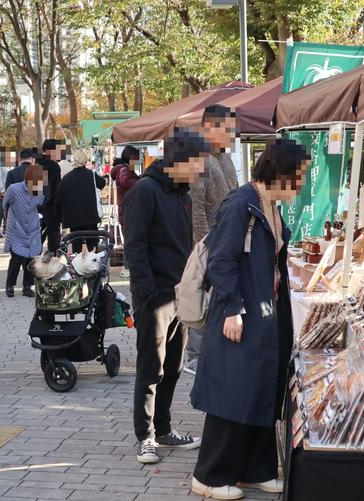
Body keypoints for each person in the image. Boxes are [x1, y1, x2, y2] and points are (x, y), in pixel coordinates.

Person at [189, 139, 309, 500]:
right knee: (233, 392)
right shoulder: (241, 204)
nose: (301, 185)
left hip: (266, 311)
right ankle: (209, 476)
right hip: (242, 312)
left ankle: (255, 469)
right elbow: (222, 262)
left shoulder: (267, 204)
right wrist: (231, 310)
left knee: (261, 388)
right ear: (280, 174)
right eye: (298, 177)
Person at [123, 127, 210, 465]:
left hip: (180, 296)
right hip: (154, 298)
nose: (200, 171)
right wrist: (147, 294)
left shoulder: (183, 196)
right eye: (197, 163)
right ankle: (145, 436)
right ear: (179, 160)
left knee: (173, 367)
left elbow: (184, 247)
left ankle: (163, 428)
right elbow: (135, 247)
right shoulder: (145, 191)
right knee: (151, 369)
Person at [186, 105, 241, 375]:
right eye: (228, 129)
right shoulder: (199, 157)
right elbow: (195, 208)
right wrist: (203, 248)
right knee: (203, 297)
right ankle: (195, 355)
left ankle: (213, 350)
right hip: (209, 245)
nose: (233, 134)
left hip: (229, 241)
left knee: (220, 299)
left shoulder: (226, 159)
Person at [2, 163, 46, 298]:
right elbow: (5, 204)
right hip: (16, 227)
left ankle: (27, 286)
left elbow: (40, 205)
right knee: (16, 258)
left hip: (32, 228)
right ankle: (10, 285)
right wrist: (8, 218)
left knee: (31, 258)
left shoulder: (39, 191)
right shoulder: (14, 189)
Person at [56, 148, 106, 251]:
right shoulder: (91, 175)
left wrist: (60, 218)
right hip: (90, 217)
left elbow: (58, 200)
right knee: (92, 246)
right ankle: (93, 265)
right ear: (85, 160)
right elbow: (102, 183)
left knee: (76, 245)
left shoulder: (66, 179)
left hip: (73, 219)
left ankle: (77, 265)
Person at [110, 146, 141, 278]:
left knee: (130, 239)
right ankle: (127, 268)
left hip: (126, 208)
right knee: (130, 240)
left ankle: (128, 267)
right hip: (128, 209)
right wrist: (141, 181)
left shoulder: (122, 169)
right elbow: (125, 181)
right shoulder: (124, 170)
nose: (138, 161)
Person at [39, 139, 64, 253]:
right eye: (57, 150)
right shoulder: (54, 166)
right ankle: (52, 259)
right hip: (51, 208)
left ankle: (33, 260)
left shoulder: (36, 163)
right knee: (53, 236)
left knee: (36, 235)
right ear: (49, 151)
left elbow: (33, 189)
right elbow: (56, 189)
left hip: (36, 206)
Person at [0, 150, 13, 238]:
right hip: (2, 190)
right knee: (1, 210)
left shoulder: (11, 165)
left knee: (8, 209)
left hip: (10, 190)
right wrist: (2, 189)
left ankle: (6, 229)